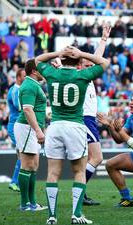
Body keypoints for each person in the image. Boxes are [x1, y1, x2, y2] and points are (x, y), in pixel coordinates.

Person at [35, 46, 110, 224]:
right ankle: (76, 215)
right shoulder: (82, 75)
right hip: (75, 126)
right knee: (79, 172)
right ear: (77, 61)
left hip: (55, 126)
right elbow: (104, 63)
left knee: (53, 173)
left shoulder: (52, 73)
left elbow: (37, 60)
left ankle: (52, 216)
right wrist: (82, 54)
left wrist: (57, 54)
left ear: (62, 59)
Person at [82, 25, 111, 206]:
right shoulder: (81, 76)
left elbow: (96, 58)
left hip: (88, 118)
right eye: (87, 64)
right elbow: (99, 59)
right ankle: (79, 189)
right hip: (85, 119)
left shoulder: (87, 75)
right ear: (80, 66)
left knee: (85, 158)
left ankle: (81, 193)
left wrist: (103, 39)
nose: (91, 66)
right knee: (97, 157)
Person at [14, 60, 47, 212]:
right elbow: (27, 110)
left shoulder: (33, 85)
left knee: (33, 166)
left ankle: (32, 203)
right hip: (27, 128)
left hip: (31, 128)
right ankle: (24, 204)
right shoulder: (28, 85)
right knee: (27, 165)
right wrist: (38, 130)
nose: (43, 71)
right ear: (34, 71)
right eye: (41, 69)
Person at [7, 69, 26, 192]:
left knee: (22, 154)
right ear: (18, 77)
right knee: (23, 154)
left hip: (18, 125)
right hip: (15, 126)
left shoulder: (18, 89)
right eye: (24, 76)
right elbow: (19, 107)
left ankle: (16, 182)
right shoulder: (15, 90)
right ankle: (14, 182)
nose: (26, 78)